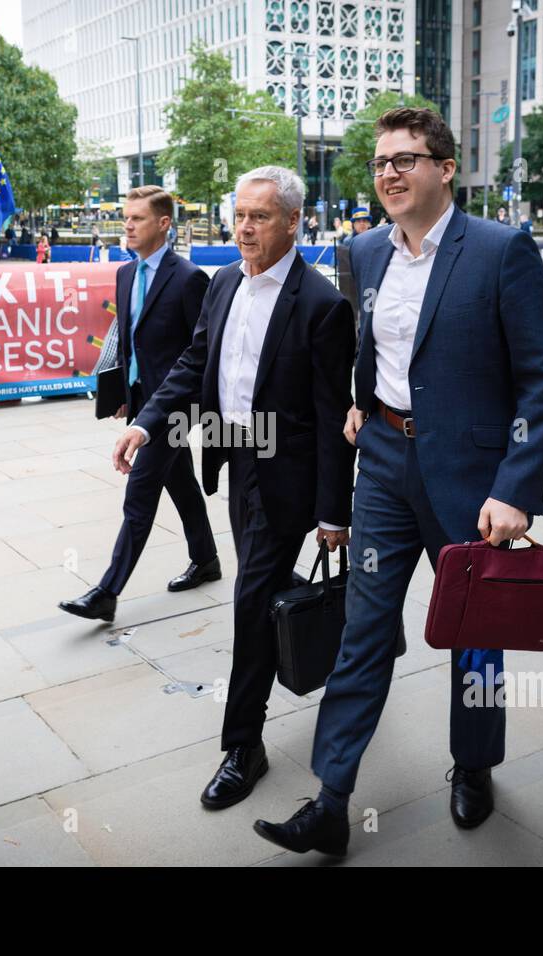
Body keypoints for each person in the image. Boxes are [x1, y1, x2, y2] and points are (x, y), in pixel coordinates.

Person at [252, 107, 543, 858]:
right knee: (362, 630)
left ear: (446, 168)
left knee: (476, 634)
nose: (389, 174)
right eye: (380, 162)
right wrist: (364, 400)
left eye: (406, 159)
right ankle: (330, 799)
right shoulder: (363, 251)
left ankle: (475, 765)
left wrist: (516, 487)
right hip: (386, 468)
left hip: (473, 476)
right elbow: (374, 342)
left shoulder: (501, 250)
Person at [112, 166, 356, 812]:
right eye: (239, 215)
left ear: (293, 222)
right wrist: (146, 424)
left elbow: (335, 419)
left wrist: (335, 509)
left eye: (260, 217)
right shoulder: (222, 284)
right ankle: (348, 651)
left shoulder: (324, 306)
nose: (244, 228)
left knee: (250, 606)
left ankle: (243, 745)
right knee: (265, 593)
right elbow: (194, 365)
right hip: (238, 466)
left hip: (290, 475)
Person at [59, 185, 219, 623]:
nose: (127, 225)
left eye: (138, 218)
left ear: (164, 223)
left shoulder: (188, 278)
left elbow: (199, 351)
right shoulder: (126, 274)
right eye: (126, 217)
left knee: (140, 491)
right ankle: (206, 559)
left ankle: (107, 591)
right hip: (144, 400)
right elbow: (130, 343)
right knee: (180, 482)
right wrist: (126, 397)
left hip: (176, 406)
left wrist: (186, 408)